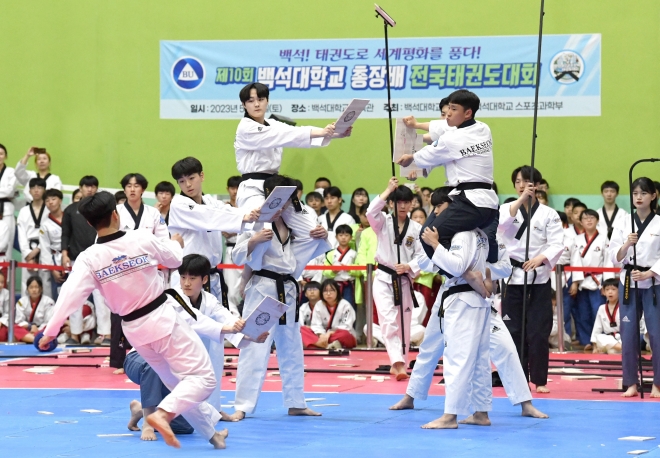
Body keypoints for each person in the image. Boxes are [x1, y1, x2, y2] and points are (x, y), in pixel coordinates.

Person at [39, 191, 227, 449]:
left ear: (90, 224)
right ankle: (162, 413)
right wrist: (175, 242)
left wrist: (50, 331)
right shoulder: (139, 238)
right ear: (115, 214)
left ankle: (212, 436)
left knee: (177, 383)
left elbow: (69, 297)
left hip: (135, 331)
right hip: (161, 319)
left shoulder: (89, 258)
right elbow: (174, 259)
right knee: (203, 379)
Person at [390, 187, 547, 420]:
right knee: (430, 348)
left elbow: (504, 267)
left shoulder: (490, 235)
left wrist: (482, 271)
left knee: (503, 348)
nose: (437, 213)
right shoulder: (447, 233)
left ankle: (523, 402)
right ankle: (411, 396)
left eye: (440, 208)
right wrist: (431, 253)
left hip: (481, 301)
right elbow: (426, 260)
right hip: (451, 297)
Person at [229, 174, 328, 421]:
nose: (283, 205)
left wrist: (322, 234)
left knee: (292, 347)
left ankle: (296, 402)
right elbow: (237, 257)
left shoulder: (295, 224)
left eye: (287, 200)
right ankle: (242, 405)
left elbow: (312, 245)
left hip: (289, 287)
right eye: (278, 199)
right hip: (263, 286)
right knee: (254, 345)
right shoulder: (257, 223)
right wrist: (253, 241)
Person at [234, 82, 350, 277]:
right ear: (244, 105)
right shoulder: (245, 128)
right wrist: (322, 131)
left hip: (277, 186)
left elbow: (297, 137)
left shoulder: (273, 125)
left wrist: (335, 134)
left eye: (260, 99)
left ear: (267, 101)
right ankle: (249, 278)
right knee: (260, 229)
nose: (256, 104)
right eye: (251, 100)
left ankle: (288, 270)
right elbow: (288, 135)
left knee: (313, 232)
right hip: (253, 187)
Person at [396, 89, 499, 266]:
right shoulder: (483, 128)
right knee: (460, 240)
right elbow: (443, 127)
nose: (448, 114)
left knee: (428, 237)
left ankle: (464, 275)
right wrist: (417, 125)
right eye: (447, 109)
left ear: (467, 113)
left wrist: (411, 159)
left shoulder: (453, 139)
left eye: (453, 109)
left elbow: (431, 152)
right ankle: (468, 273)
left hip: (470, 204)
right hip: (489, 204)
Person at [416, 201, 492, 429]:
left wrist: (435, 244)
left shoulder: (463, 235)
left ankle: (450, 416)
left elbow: (457, 267)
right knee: (479, 360)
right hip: (477, 301)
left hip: (462, 301)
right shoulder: (481, 235)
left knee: (456, 358)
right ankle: (481, 412)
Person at [498, 166, 563, 393]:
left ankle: (540, 380)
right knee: (513, 331)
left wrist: (541, 258)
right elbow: (499, 228)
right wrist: (520, 202)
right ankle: (518, 379)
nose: (522, 186)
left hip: (539, 279)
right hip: (512, 279)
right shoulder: (507, 208)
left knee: (538, 332)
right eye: (518, 182)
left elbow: (557, 243)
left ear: (537, 185)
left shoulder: (548, 214)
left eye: (527, 182)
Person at [366, 178, 432, 381]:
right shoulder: (382, 222)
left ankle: (400, 362)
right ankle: (398, 362)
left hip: (404, 280)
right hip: (384, 277)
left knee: (404, 324)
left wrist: (409, 267)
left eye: (407, 202)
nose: (403, 206)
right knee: (387, 320)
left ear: (412, 203)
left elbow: (424, 256)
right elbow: (370, 212)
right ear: (392, 204)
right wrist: (388, 190)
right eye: (399, 202)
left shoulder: (416, 229)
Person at [168, 157, 258, 306]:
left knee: (216, 322)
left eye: (191, 178)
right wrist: (243, 216)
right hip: (189, 278)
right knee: (191, 323)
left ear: (201, 176)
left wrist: (253, 214)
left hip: (213, 275)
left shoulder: (210, 202)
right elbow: (208, 216)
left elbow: (226, 210)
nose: (188, 185)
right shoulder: (179, 204)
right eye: (182, 181)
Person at [112, 173, 171, 374]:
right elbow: (106, 239)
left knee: (150, 316)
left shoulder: (153, 214)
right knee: (121, 317)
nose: (132, 189)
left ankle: (152, 358)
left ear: (143, 189)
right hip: (122, 272)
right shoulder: (116, 212)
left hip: (148, 272)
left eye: (136, 186)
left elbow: (164, 241)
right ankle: (119, 361)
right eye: (128, 185)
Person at [610, 177, 660, 398]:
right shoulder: (623, 222)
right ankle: (630, 382)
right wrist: (627, 244)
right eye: (635, 194)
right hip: (629, 281)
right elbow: (615, 256)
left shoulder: (659, 222)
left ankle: (658, 383)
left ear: (653, 196)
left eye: (643, 193)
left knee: (656, 334)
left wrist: (650, 272)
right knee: (628, 333)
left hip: (653, 282)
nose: (638, 197)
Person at [61, 175, 111, 346]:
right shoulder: (70, 210)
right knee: (76, 296)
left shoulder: (102, 210)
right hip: (77, 259)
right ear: (80, 188)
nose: (90, 189)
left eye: (93, 186)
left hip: (99, 258)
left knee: (102, 298)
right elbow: (65, 233)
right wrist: (64, 253)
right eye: (86, 186)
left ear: (96, 188)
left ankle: (105, 334)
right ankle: (75, 334)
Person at [570, 209, 614, 349]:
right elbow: (575, 262)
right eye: (586, 218)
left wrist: (607, 285)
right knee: (583, 314)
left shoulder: (603, 238)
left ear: (597, 220)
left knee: (598, 312)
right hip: (582, 280)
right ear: (581, 222)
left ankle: (600, 341)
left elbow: (608, 261)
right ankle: (587, 341)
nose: (589, 220)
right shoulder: (576, 240)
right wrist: (575, 282)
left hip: (598, 280)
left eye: (592, 218)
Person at [17, 177, 52, 297]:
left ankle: (48, 313)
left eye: (40, 187)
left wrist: (38, 249)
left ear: (44, 190)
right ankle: (25, 314)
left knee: (46, 283)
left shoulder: (49, 210)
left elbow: (51, 233)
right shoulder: (23, 211)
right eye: (33, 188)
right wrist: (28, 254)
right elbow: (21, 234)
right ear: (29, 191)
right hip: (28, 252)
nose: (36, 190)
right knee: (27, 283)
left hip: (45, 249)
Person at [302, 279, 357, 349]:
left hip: (338, 335)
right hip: (323, 336)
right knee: (303, 329)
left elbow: (347, 326)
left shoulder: (345, 305)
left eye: (331, 290)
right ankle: (326, 345)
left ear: (337, 291)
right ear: (321, 293)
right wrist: (322, 335)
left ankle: (318, 344)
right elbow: (316, 325)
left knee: (345, 334)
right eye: (325, 291)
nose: (328, 293)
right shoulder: (319, 304)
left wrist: (330, 333)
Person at [559, 201, 585, 341]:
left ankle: (566, 339)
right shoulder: (543, 239)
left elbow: (576, 261)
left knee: (566, 310)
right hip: (547, 276)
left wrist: (575, 283)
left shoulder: (570, 240)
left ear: (564, 224)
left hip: (567, 275)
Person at [222, 176, 244, 317]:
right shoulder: (224, 208)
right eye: (232, 188)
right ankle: (234, 318)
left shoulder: (247, 207)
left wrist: (234, 229)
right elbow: (225, 232)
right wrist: (241, 227)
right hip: (231, 249)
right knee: (231, 288)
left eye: (238, 188)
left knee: (247, 286)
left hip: (248, 249)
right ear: (228, 189)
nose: (235, 191)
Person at [12, 276, 55, 344]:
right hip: (28, 330)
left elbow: (49, 321)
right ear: (27, 289)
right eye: (31, 287)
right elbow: (19, 321)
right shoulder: (21, 302)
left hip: (41, 329)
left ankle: (29, 338)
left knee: (51, 328)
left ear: (41, 288)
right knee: (14, 328)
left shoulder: (49, 302)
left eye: (36, 287)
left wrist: (37, 330)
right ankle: (36, 340)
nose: (34, 290)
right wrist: (30, 326)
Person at [39, 189, 65, 300]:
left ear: (60, 200)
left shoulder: (70, 218)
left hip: (71, 256)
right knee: (58, 294)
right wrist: (52, 268)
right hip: (56, 259)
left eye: (53, 199)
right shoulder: (45, 224)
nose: (50, 202)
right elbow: (45, 248)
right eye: (47, 200)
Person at [323, 224, 357, 307]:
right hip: (334, 284)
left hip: (348, 284)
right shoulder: (330, 254)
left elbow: (359, 271)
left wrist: (349, 269)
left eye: (346, 235)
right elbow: (324, 271)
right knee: (333, 306)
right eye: (341, 235)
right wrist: (332, 271)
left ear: (351, 237)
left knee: (348, 306)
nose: (343, 238)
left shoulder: (354, 253)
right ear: (336, 237)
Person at [590, 279, 621, 354]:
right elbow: (596, 328)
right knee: (599, 337)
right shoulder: (602, 308)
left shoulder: (624, 307)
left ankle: (618, 347)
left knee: (612, 351)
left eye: (613, 289)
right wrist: (594, 347)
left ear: (620, 291)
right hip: (608, 338)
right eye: (607, 290)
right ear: (603, 292)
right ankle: (620, 348)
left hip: (621, 337)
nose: (610, 292)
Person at [0, 144, 17, 276]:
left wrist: (7, 192)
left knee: (8, 247)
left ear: (5, 156)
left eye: (1, 153)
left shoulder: (11, 171)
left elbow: (11, 190)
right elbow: (6, 191)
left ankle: (7, 284)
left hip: (6, 211)